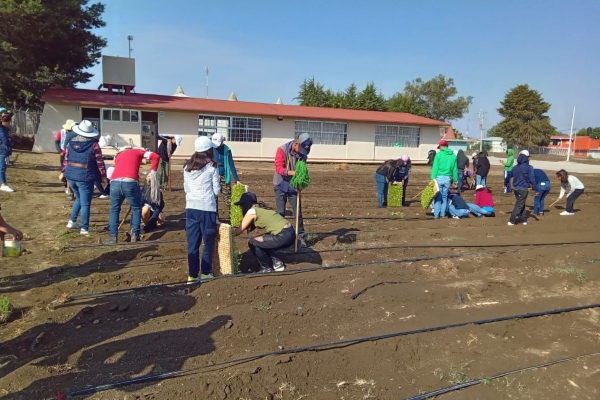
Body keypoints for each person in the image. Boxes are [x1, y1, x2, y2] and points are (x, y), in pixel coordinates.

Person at [104, 146, 160, 244]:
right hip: (130, 182)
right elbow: (155, 156)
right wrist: (151, 173)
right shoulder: (138, 152)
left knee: (114, 209)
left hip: (114, 182)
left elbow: (115, 165)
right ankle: (135, 235)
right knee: (136, 208)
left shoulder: (119, 154)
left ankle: (112, 236)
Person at [184, 136, 220, 283]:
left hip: (191, 208)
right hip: (207, 208)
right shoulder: (212, 166)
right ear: (209, 150)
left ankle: (192, 275)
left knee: (193, 243)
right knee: (208, 241)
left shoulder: (187, 167)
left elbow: (186, 188)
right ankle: (205, 272)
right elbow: (216, 190)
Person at [62, 120, 107, 235]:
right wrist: (103, 176)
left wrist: (63, 172)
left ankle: (72, 221)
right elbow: (100, 162)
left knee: (79, 198)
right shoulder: (94, 145)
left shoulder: (70, 142)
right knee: (86, 203)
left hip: (70, 175)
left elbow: (66, 159)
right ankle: (84, 228)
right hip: (85, 176)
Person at [234, 192, 295, 273]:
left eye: (241, 205)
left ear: (246, 204)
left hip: (283, 235)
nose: (241, 208)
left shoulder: (251, 212)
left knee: (253, 242)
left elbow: (238, 231)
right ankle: (277, 262)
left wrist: (225, 233)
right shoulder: (260, 209)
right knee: (261, 240)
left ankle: (266, 268)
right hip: (289, 232)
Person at [273, 132, 313, 246]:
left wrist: (299, 184)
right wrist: (294, 173)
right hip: (280, 185)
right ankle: (279, 235)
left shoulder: (303, 155)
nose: (302, 153)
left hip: (294, 187)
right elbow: (279, 168)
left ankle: (300, 236)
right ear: (296, 144)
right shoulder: (281, 150)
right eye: (301, 149)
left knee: (297, 213)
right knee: (280, 212)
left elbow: (302, 171)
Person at [211, 133, 242, 218]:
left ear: (222, 141)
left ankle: (233, 217)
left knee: (228, 199)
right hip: (213, 177)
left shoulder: (227, 150)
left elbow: (231, 164)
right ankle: (215, 218)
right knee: (213, 199)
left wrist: (237, 179)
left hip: (224, 176)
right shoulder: (210, 149)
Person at [431, 140, 458, 219]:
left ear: (441, 146)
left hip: (439, 177)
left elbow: (435, 168)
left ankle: (436, 215)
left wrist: (432, 178)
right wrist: (455, 180)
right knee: (444, 197)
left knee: (437, 197)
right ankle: (443, 214)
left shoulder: (438, 155)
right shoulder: (453, 156)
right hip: (448, 178)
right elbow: (455, 170)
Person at [508, 150, 536, 226]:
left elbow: (509, 176)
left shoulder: (515, 167)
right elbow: (532, 178)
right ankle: (511, 220)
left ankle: (524, 220)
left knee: (521, 203)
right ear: (526, 158)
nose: (529, 158)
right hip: (523, 189)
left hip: (516, 189)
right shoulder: (529, 167)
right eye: (528, 157)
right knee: (519, 205)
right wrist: (535, 187)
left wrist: (505, 183)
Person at [55, 119, 75, 196]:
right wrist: (59, 151)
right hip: (63, 153)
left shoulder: (74, 133)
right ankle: (66, 186)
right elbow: (56, 142)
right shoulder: (61, 132)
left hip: (72, 153)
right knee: (64, 170)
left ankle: (72, 188)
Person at [0, 114, 14, 192]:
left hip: (4, 150)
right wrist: (10, 141)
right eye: (8, 122)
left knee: (4, 166)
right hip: (3, 150)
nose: (9, 124)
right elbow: (5, 140)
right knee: (2, 167)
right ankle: (3, 184)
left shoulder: (4, 128)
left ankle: (4, 182)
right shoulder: (1, 129)